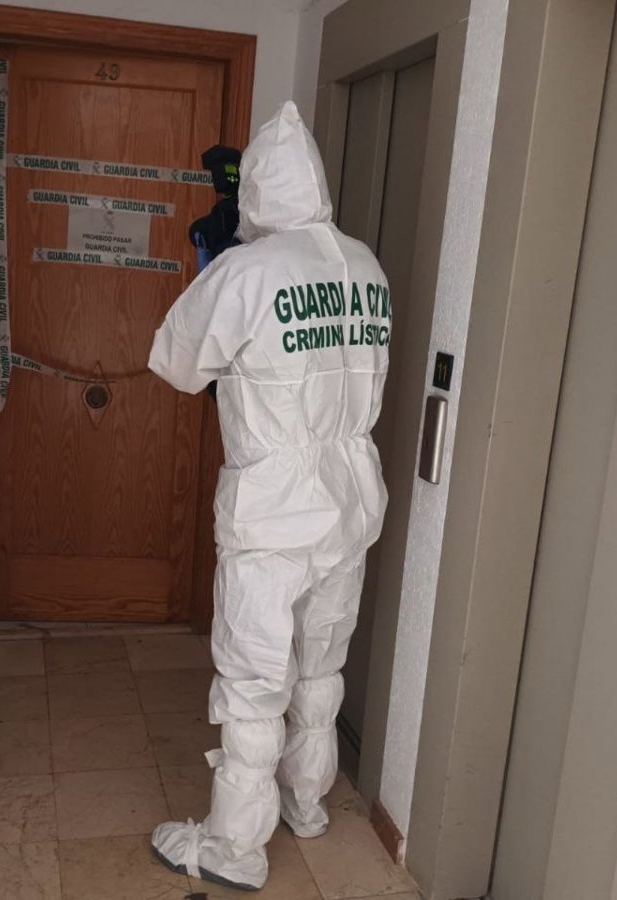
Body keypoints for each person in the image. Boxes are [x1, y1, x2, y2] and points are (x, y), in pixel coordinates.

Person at [147, 100, 393, 892]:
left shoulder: (247, 272)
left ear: (254, 190)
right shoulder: (365, 266)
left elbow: (176, 363)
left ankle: (234, 847)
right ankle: (307, 802)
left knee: (254, 681)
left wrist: (217, 266)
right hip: (350, 501)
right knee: (322, 664)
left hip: (273, 509)